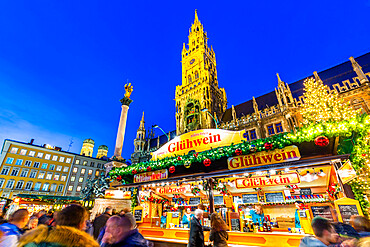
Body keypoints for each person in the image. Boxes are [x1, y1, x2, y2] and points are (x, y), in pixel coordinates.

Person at [18, 204, 99, 247]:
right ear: (80, 224)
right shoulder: (84, 244)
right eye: (85, 221)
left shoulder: (35, 238)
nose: (86, 225)